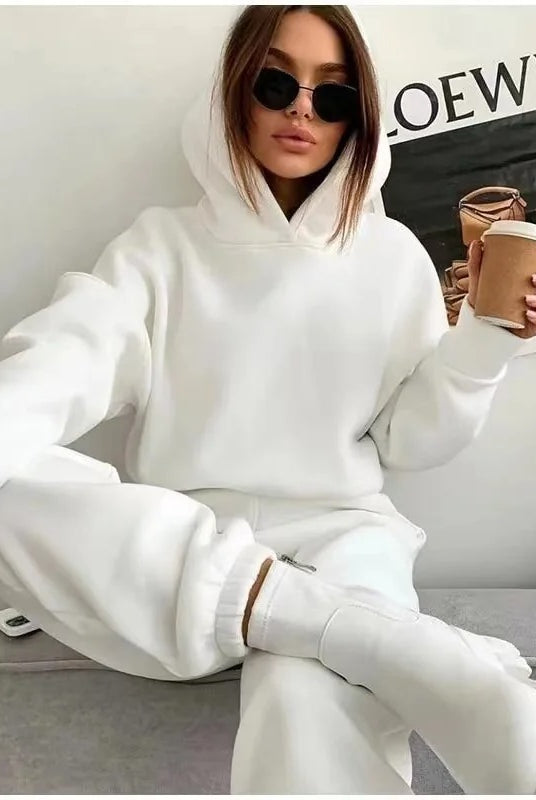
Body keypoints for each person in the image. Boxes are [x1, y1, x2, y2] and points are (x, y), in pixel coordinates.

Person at [0, 4, 535, 795]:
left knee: (303, 707)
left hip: (342, 537)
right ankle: (383, 641)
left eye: (333, 94)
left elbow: (412, 440)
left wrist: (486, 339)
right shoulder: (160, 247)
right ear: (235, 91)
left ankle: (343, 625)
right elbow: (69, 355)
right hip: (184, 560)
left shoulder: (391, 256)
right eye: (276, 84)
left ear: (358, 116)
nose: (301, 110)